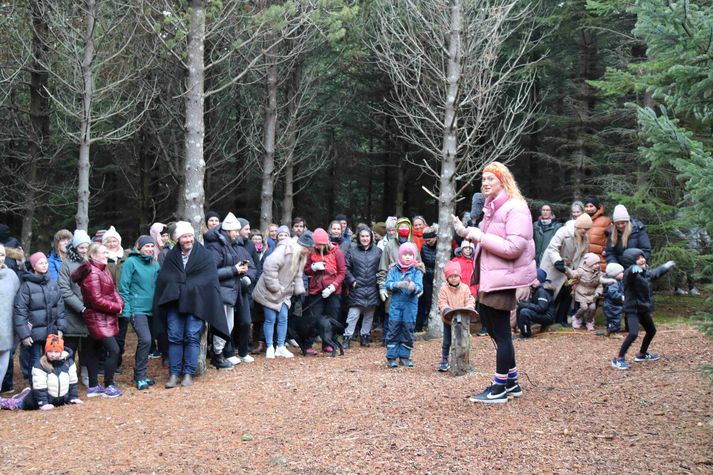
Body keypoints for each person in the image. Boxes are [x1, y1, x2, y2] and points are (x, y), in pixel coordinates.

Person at [453, 161, 535, 404]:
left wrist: (478, 235)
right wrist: (466, 232)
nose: (485, 183)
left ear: (503, 181)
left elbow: (514, 247)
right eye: (483, 179)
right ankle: (512, 382)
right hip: (491, 277)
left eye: (491, 179)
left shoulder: (515, 207)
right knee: (494, 329)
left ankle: (499, 388)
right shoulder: (494, 208)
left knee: (501, 335)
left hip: (503, 279)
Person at [154, 221, 228, 388]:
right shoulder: (172, 256)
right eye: (184, 237)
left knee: (192, 337)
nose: (188, 239)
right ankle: (174, 374)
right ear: (178, 239)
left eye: (189, 236)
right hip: (175, 303)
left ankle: (188, 373)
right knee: (174, 337)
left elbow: (209, 279)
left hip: (196, 304)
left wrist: (189, 287)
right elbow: (165, 279)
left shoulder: (204, 255)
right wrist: (179, 287)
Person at [204, 213, 256, 370]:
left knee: (229, 324)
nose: (237, 233)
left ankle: (218, 354)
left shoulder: (229, 244)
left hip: (230, 290)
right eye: (235, 230)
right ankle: (217, 356)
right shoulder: (216, 246)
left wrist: (240, 269)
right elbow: (211, 272)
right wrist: (234, 269)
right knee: (223, 325)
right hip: (221, 291)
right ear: (227, 230)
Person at [71, 243, 124, 398]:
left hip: (105, 316)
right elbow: (96, 300)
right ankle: (108, 385)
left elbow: (113, 291)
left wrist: (120, 304)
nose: (106, 255)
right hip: (96, 317)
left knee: (95, 350)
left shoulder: (103, 269)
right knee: (113, 350)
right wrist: (116, 308)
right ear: (93, 255)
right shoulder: (92, 274)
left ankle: (93, 386)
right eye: (103, 252)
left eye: (107, 252)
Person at [253, 231, 314, 359]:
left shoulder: (301, 256)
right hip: (269, 290)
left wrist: (299, 290)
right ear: (303, 247)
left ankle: (280, 346)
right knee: (270, 319)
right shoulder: (284, 250)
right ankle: (270, 347)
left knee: (283, 318)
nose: (309, 252)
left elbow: (297, 274)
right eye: (308, 249)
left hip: (285, 292)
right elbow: (269, 267)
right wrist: (276, 288)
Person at [611, 248, 675, 369]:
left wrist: (665, 266)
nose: (642, 260)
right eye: (638, 259)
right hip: (632, 310)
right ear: (631, 262)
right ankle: (618, 358)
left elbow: (655, 273)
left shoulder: (645, 273)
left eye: (642, 257)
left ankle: (641, 354)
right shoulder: (629, 275)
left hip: (643, 309)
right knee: (633, 334)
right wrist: (634, 268)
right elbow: (631, 272)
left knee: (651, 331)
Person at [118, 235, 160, 390]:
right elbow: (124, 288)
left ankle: (141, 375)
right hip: (137, 309)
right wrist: (127, 311)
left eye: (151, 246)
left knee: (149, 342)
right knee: (146, 340)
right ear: (139, 247)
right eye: (146, 246)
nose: (149, 249)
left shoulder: (155, 264)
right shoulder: (130, 262)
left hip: (152, 310)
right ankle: (140, 376)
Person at [0, 335, 82, 411]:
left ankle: (25, 393)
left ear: (61, 351)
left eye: (56, 352)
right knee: (21, 404)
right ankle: (7, 402)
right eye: (50, 351)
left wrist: (73, 397)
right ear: (46, 351)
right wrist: (43, 403)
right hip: (38, 399)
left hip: (59, 399)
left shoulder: (69, 363)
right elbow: (40, 387)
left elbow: (72, 383)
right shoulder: (40, 365)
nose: (53, 354)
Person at [539, 214, 593, 326]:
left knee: (567, 294)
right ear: (579, 226)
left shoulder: (585, 238)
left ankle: (561, 320)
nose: (586, 231)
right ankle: (546, 320)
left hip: (570, 270)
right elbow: (552, 248)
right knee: (551, 294)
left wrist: (580, 270)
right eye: (585, 229)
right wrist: (557, 261)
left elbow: (584, 255)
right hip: (553, 267)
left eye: (588, 229)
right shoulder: (563, 232)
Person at [14, 252, 66, 369]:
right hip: (34, 333)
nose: (44, 265)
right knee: (35, 360)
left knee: (51, 359)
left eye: (46, 263)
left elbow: (60, 308)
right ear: (33, 266)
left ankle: (49, 385)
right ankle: (35, 386)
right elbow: (20, 311)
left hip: (51, 331)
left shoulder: (53, 284)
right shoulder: (26, 286)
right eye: (40, 263)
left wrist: (60, 328)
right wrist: (24, 334)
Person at [57, 230, 92, 385]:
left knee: (88, 347)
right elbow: (64, 290)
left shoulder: (91, 263)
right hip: (72, 314)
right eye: (81, 247)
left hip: (90, 313)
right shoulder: (66, 265)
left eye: (86, 247)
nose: (84, 250)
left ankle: (84, 373)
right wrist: (81, 307)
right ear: (75, 247)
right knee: (70, 347)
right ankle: (68, 376)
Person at [304, 228, 346, 353]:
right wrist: (313, 267)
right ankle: (308, 344)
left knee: (332, 317)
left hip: (333, 291)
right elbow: (306, 270)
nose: (319, 247)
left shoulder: (336, 252)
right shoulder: (311, 252)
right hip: (316, 291)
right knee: (314, 318)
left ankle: (328, 343)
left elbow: (342, 272)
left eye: (321, 245)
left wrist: (333, 285)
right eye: (317, 244)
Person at [384, 242, 423, 368]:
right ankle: (391, 357)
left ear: (414, 256)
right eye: (405, 254)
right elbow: (388, 284)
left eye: (410, 255)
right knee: (393, 329)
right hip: (396, 305)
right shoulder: (394, 269)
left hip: (410, 307)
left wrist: (413, 287)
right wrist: (398, 284)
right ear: (400, 255)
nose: (407, 257)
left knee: (407, 330)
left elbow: (419, 287)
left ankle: (404, 356)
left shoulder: (417, 270)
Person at [343, 226, 382, 348]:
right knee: (353, 314)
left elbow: (382, 268)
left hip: (372, 287)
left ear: (371, 237)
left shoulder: (378, 251)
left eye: (367, 236)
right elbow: (346, 268)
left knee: (369, 314)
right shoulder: (352, 251)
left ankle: (365, 336)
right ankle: (347, 337)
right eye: (362, 236)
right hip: (357, 287)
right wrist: (352, 281)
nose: (365, 238)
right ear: (359, 238)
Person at [437, 260, 475, 372]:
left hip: (463, 321)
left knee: (464, 341)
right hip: (449, 319)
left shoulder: (465, 288)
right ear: (447, 278)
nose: (453, 278)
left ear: (460, 276)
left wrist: (469, 308)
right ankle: (444, 360)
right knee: (447, 341)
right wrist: (446, 309)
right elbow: (442, 301)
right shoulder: (444, 288)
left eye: (456, 276)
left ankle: (464, 361)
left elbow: (470, 299)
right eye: (451, 276)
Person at [565, 252, 603, 331]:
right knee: (584, 307)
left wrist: (598, 292)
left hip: (592, 293)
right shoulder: (581, 271)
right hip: (581, 292)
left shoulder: (599, 274)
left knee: (592, 307)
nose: (597, 265)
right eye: (595, 264)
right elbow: (573, 274)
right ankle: (576, 317)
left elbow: (600, 285)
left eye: (598, 263)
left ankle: (589, 321)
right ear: (589, 264)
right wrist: (567, 270)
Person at [0, 245, 21, 385]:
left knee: (2, 366)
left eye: (1, 255)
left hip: (6, 330)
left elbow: (19, 302)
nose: (0, 258)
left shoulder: (12, 276)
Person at [515, 269, 555, 338]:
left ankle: (525, 334)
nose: (531, 281)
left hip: (547, 317)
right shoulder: (536, 289)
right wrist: (523, 303)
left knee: (524, 312)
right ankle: (522, 330)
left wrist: (526, 305)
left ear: (540, 280)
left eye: (534, 279)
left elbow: (542, 308)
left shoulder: (542, 291)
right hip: (542, 314)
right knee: (521, 307)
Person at [417, 225, 438, 332]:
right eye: (426, 240)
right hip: (426, 278)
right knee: (423, 302)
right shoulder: (424, 247)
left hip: (438, 278)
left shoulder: (442, 247)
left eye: (430, 240)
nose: (428, 242)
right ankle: (418, 327)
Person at [583, 196, 611, 271]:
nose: (588, 209)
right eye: (586, 206)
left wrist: (606, 249)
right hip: (583, 261)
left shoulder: (605, 220)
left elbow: (612, 239)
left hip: (600, 261)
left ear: (597, 207)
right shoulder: (580, 220)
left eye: (591, 206)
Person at [601, 263, 625, 335]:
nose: (623, 274)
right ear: (614, 274)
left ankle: (608, 330)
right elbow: (613, 293)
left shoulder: (617, 281)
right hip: (612, 305)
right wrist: (621, 297)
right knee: (615, 318)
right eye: (621, 272)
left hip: (611, 304)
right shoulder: (613, 283)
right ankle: (613, 333)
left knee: (610, 318)